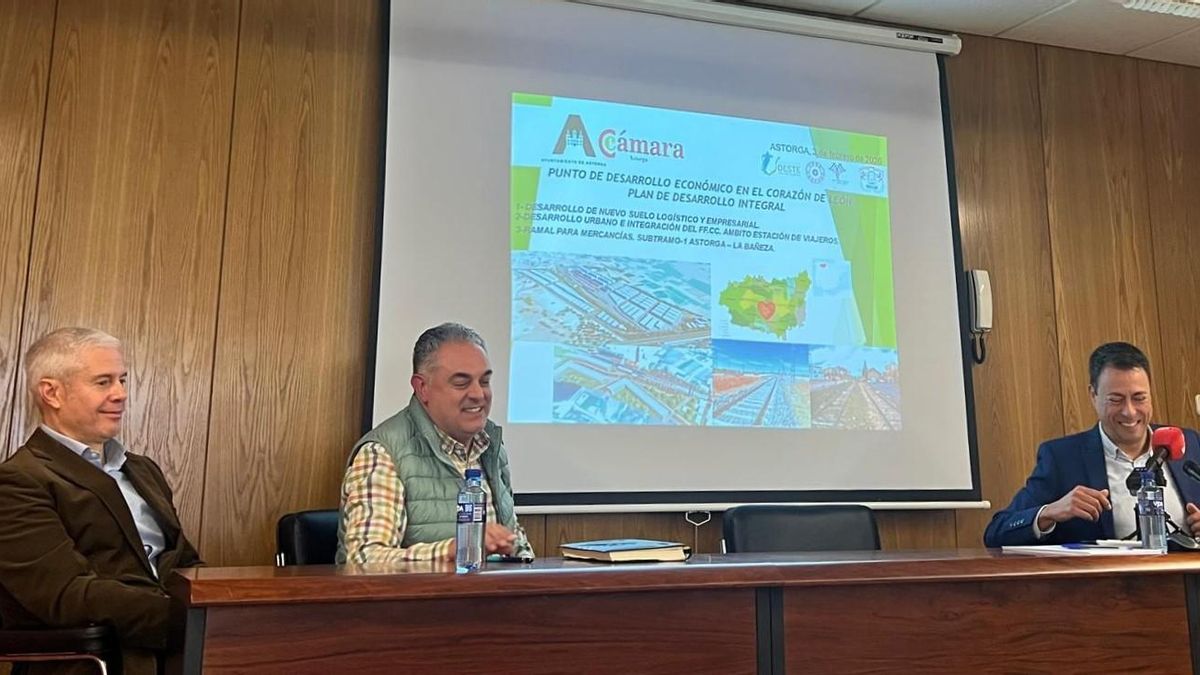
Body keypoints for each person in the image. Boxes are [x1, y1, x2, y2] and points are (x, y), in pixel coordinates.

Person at [0, 327, 201, 675]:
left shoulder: (143, 469)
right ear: (52, 393)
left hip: (188, 648)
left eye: (122, 380)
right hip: (103, 660)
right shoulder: (18, 481)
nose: (121, 394)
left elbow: (185, 561)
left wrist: (231, 610)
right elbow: (66, 594)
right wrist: (190, 619)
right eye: (103, 382)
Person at [338, 322, 533, 563]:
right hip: (417, 601)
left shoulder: (490, 446)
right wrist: (455, 549)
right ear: (423, 388)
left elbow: (513, 540)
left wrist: (521, 554)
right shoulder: (383, 453)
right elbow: (365, 560)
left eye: (484, 381)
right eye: (461, 383)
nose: (478, 394)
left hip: (489, 598)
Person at [984, 341, 1200, 547]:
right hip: (1109, 584)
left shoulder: (1187, 444)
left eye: (1139, 398)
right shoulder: (1062, 458)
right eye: (1115, 399)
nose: (1129, 411)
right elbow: (996, 532)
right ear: (1093, 395)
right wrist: (1049, 512)